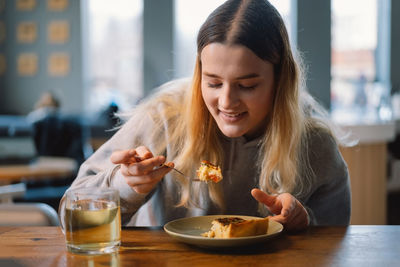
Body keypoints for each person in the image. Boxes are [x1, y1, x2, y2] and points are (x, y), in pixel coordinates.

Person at [64, 0, 351, 231]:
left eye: (247, 85)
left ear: (280, 80)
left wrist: (305, 222)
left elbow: (337, 241)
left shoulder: (313, 141)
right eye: (213, 83)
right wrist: (125, 185)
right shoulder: (163, 118)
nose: (226, 102)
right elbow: (69, 217)